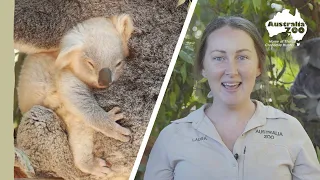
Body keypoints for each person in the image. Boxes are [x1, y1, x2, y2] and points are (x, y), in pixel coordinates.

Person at [144, 16, 320, 180]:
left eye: (242, 57)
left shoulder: (290, 130)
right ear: (203, 67)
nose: (232, 71)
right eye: (219, 58)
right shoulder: (172, 137)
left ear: (259, 66)